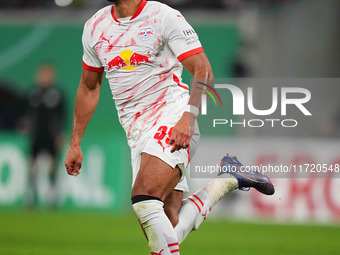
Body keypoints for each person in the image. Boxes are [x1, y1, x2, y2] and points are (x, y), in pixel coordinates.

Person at [64, 0, 274, 254]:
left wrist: (188, 116)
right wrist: (75, 142)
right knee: (168, 222)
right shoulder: (95, 26)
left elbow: (203, 70)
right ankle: (228, 179)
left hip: (172, 117)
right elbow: (89, 87)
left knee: (144, 198)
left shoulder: (163, 16)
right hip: (136, 132)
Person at [27, 63, 65, 208]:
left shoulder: (57, 94)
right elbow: (26, 112)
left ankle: (52, 194)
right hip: (36, 135)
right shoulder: (33, 93)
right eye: (42, 74)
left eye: (47, 74)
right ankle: (31, 194)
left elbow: (62, 115)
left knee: (53, 163)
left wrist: (60, 133)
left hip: (51, 135)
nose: (45, 78)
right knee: (32, 163)